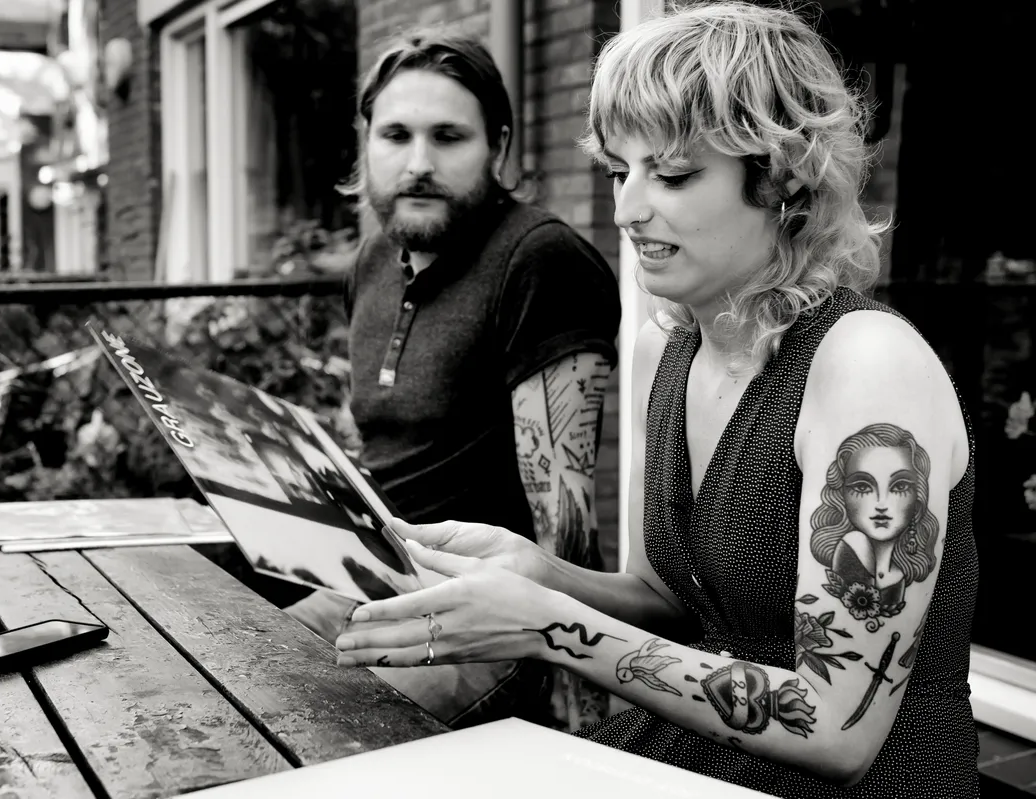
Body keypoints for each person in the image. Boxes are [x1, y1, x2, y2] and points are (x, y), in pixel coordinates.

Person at [332, 3, 979, 796]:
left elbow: (836, 726)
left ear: (784, 178)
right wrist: (540, 572)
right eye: (619, 170)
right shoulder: (665, 346)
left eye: (671, 174)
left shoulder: (868, 367)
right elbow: (666, 603)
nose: (627, 209)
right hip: (687, 761)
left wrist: (545, 624)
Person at [280, 28, 624, 730]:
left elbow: (565, 524)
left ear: (498, 146)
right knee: (231, 668)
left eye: (448, 137)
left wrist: (584, 720)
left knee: (315, 733)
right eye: (396, 135)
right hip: (374, 580)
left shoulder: (539, 260)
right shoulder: (374, 262)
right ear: (366, 142)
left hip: (486, 620)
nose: (419, 163)